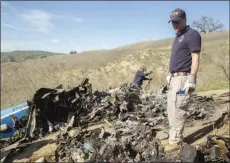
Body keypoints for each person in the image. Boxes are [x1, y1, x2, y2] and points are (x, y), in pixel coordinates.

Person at [163, 8, 202, 152]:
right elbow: (174, 58)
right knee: (171, 110)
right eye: (172, 22)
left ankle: (176, 142)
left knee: (179, 110)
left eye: (177, 22)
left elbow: (195, 57)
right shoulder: (177, 37)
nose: (175, 25)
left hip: (183, 78)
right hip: (173, 79)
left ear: (185, 19)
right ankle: (173, 139)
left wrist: (192, 78)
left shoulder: (192, 35)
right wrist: (169, 74)